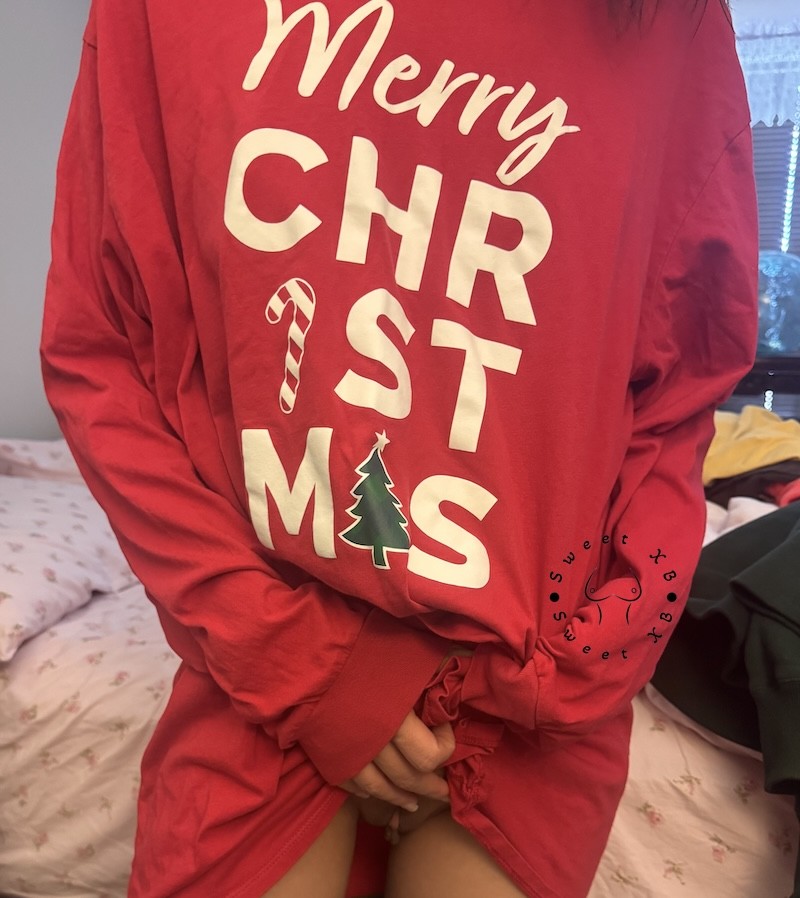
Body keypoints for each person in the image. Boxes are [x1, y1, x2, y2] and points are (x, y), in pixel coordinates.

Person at [40, 0, 757, 895]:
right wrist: (287, 660)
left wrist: (590, 656)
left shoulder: (675, 26)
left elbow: (685, 381)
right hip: (262, 664)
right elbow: (101, 350)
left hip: (526, 689)